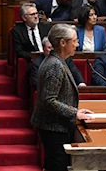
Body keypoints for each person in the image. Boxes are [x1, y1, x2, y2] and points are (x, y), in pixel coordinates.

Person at [31, 24, 94, 171]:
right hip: (54, 127)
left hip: (55, 125)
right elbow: (49, 100)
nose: (77, 45)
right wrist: (74, 113)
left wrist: (74, 110)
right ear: (63, 42)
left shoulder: (58, 61)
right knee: (57, 166)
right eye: (74, 41)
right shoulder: (55, 65)